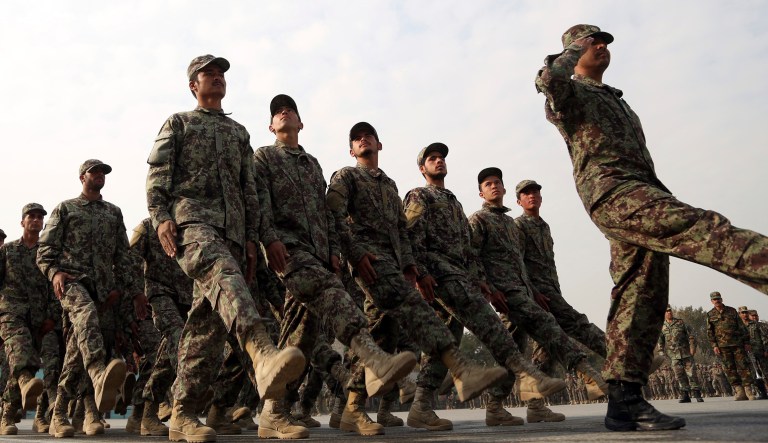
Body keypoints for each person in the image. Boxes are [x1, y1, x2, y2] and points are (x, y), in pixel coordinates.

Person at [536, 23, 768, 431]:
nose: (602, 46)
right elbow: (550, 78)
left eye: (605, 41)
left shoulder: (618, 102)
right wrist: (574, 47)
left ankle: (624, 400)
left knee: (641, 291)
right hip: (614, 194)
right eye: (594, 41)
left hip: (639, 189)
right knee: (703, 228)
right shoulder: (569, 91)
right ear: (575, 48)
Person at [145, 55, 306, 443]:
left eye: (221, 75)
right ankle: (263, 353)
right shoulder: (179, 123)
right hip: (192, 224)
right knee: (225, 276)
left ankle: (183, 414)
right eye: (208, 74)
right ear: (193, 86)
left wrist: (255, 238)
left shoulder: (238, 132)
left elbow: (250, 191)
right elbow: (157, 173)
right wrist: (160, 215)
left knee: (206, 327)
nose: (216, 78)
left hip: (233, 233)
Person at [253, 95, 417, 439]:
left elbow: (326, 214)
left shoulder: (313, 165)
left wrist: (333, 251)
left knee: (302, 333)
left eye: (290, 109)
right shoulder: (264, 157)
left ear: (300, 123)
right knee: (331, 296)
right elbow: (260, 204)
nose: (284, 112)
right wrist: (269, 239)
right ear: (271, 126)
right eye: (277, 112)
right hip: (289, 250)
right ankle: (373, 358)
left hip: (318, 254)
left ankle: (272, 411)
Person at [326, 122, 507, 435]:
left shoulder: (389, 185)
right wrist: (354, 254)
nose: (363, 140)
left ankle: (352, 409)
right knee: (416, 310)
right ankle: (460, 368)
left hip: (393, 267)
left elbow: (401, 230)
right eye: (356, 138)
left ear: (379, 145)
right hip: (368, 263)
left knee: (383, 334)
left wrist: (410, 267)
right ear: (351, 150)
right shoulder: (346, 176)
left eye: (368, 135)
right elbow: (333, 215)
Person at [403, 144, 565, 430]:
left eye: (441, 157)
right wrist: (420, 275)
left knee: (443, 345)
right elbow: (411, 236)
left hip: (458, 279)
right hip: (439, 280)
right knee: (491, 329)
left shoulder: (454, 202)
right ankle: (525, 377)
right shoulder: (419, 196)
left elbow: (467, 250)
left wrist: (478, 279)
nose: (439, 161)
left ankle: (421, 408)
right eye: (432, 159)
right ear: (422, 169)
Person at [469, 168, 605, 425]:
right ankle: (589, 375)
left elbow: (521, 263)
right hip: (506, 295)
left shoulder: (510, 224)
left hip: (523, 293)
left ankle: (506, 407)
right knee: (548, 326)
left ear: (504, 189)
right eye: (488, 184)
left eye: (498, 182)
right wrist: (488, 288)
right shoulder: (479, 220)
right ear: (481, 192)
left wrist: (533, 292)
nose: (494, 186)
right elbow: (472, 255)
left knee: (513, 352)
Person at [37, 160, 132, 437]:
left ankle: (73, 412)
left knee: (78, 349)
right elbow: (45, 250)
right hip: (71, 283)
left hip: (104, 292)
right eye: (95, 171)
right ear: (83, 177)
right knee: (87, 318)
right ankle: (100, 374)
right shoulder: (66, 209)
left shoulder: (113, 213)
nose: (100, 175)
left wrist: (128, 291)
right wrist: (54, 272)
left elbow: (123, 256)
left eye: (103, 172)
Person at [0, 204, 54, 434]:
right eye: (30, 216)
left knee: (25, 367)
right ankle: (21, 390)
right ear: (22, 222)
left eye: (40, 217)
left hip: (39, 317)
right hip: (11, 312)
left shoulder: (48, 252)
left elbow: (55, 286)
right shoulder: (7, 251)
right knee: (21, 351)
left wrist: (52, 316)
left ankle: (7, 415)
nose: (35, 220)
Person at [706, 292, 754, 400]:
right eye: (714, 299)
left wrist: (746, 342)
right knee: (729, 368)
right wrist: (714, 345)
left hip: (737, 344)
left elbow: (741, 327)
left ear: (721, 299)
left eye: (718, 298)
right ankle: (739, 391)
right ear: (711, 301)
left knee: (743, 366)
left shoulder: (732, 311)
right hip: (722, 346)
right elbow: (710, 332)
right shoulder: (710, 314)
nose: (716, 301)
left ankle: (748, 390)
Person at [658, 305, 702, 402]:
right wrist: (661, 352)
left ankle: (697, 393)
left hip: (686, 353)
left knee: (692, 374)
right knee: (679, 375)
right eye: (667, 311)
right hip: (673, 356)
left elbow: (691, 335)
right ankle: (685, 395)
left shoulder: (680, 322)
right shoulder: (662, 326)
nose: (669, 312)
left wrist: (692, 347)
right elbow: (660, 341)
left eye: (670, 311)